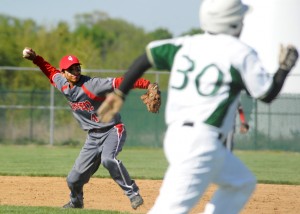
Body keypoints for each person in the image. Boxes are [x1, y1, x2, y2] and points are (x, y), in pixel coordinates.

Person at [97, 0, 299, 213]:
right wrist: (284, 69)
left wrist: (121, 92)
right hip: (200, 144)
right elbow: (266, 94)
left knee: (241, 182)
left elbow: (146, 57)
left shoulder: (186, 44)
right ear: (233, 22)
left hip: (180, 136)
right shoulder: (240, 52)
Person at [22, 47, 156, 210]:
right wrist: (36, 58)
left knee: (108, 159)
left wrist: (147, 84)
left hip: (112, 130)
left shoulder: (92, 85)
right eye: (71, 69)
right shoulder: (63, 84)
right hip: (93, 137)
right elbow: (50, 71)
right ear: (64, 73)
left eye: (77, 67)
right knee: (73, 179)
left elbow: (121, 82)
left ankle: (133, 194)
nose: (75, 71)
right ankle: (76, 201)